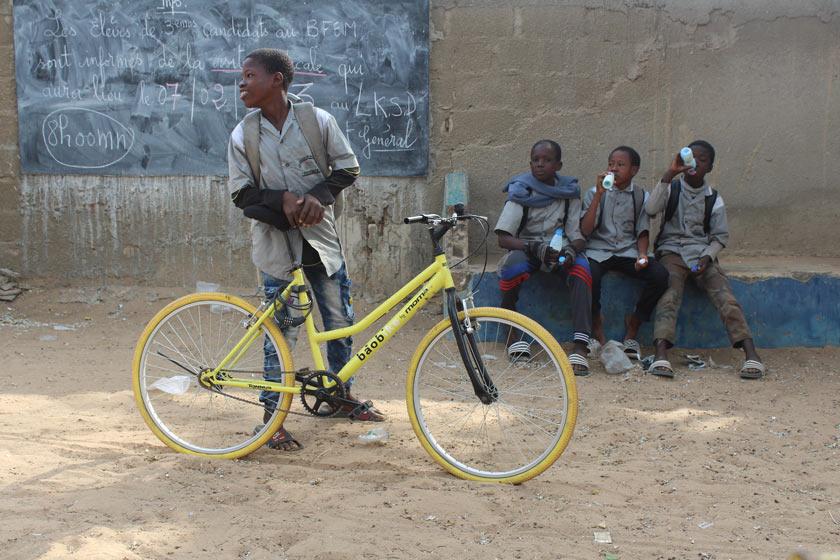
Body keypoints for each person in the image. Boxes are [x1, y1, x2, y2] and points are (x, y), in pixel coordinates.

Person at [227, 48, 384, 451]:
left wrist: (317, 196)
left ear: (276, 80)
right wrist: (281, 200)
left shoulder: (317, 121)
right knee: (280, 331)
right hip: (277, 246)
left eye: (250, 75)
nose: (242, 83)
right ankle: (271, 418)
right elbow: (241, 195)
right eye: (241, 77)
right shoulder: (244, 134)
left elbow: (347, 169)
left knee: (338, 318)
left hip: (320, 242)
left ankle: (340, 395)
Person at [644, 140, 765, 379]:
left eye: (703, 160)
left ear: (710, 167)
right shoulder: (671, 189)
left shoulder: (714, 199)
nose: (696, 163)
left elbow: (720, 237)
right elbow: (650, 209)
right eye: (692, 157)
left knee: (725, 296)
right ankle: (661, 354)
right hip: (672, 253)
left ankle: (751, 354)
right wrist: (670, 172)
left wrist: (707, 258)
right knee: (669, 295)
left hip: (701, 255)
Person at [494, 140, 593, 376]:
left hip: (559, 251)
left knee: (582, 270)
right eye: (536, 160)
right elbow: (503, 239)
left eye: (547, 160)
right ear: (530, 163)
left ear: (558, 165)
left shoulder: (569, 193)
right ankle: (510, 331)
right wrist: (533, 247)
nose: (540, 165)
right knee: (511, 268)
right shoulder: (521, 191)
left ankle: (580, 345)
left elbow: (577, 236)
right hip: (529, 248)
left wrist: (570, 251)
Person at [579, 146, 669, 358]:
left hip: (628, 251)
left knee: (660, 275)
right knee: (589, 273)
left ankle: (635, 323)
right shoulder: (594, 192)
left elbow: (642, 231)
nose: (614, 169)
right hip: (598, 250)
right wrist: (598, 196)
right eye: (611, 164)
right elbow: (585, 230)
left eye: (621, 165)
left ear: (634, 170)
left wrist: (642, 255)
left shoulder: (640, 196)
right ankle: (596, 325)